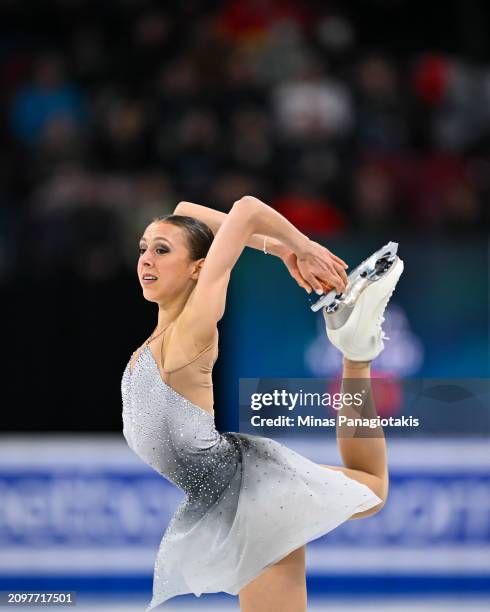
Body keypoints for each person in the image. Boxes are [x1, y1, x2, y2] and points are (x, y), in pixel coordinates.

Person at [121, 195, 404, 611]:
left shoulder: (193, 328)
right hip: (229, 491)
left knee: (373, 488)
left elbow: (248, 208)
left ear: (199, 269)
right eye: (144, 248)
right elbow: (186, 208)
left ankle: (356, 354)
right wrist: (282, 248)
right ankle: (355, 352)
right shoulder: (153, 343)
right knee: (371, 488)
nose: (146, 259)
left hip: (252, 497)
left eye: (162, 250)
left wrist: (301, 247)